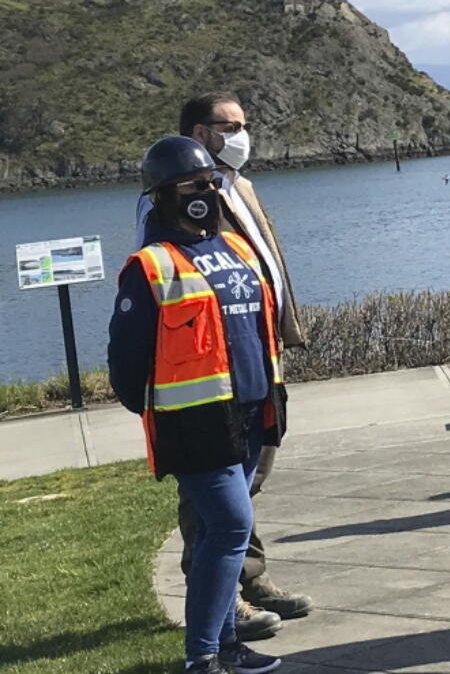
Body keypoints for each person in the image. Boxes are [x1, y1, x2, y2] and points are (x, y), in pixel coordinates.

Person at [137, 92, 311, 640]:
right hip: (209, 375)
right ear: (199, 132)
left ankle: (248, 575)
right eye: (229, 125)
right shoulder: (169, 201)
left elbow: (263, 259)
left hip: (257, 357)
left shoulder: (240, 187)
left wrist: (282, 326)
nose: (241, 133)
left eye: (244, 123)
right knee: (210, 491)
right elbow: (159, 288)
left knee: (250, 477)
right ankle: (218, 599)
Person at [109, 136, 285, 674]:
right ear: (162, 197)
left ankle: (227, 646)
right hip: (198, 422)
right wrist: (158, 410)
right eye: (192, 185)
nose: (206, 192)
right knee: (232, 527)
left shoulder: (235, 248)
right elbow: (126, 357)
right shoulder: (150, 265)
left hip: (254, 410)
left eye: (211, 182)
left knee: (217, 533)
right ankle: (202, 657)